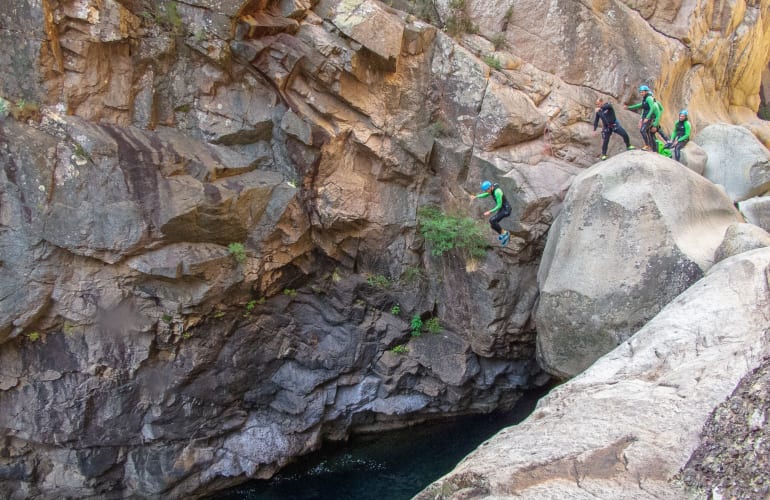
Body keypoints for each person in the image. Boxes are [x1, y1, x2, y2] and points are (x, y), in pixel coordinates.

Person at [473, 180, 512, 245]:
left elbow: (499, 205)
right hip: (502, 209)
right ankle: (504, 234)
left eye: (486, 190)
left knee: (492, 220)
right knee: (493, 225)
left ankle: (505, 234)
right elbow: (486, 195)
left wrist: (490, 211)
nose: (486, 192)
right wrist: (476, 196)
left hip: (506, 209)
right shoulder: (492, 189)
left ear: (489, 188)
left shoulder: (497, 192)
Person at [626, 85, 657, 151]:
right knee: (647, 132)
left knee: (643, 130)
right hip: (645, 117)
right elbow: (639, 105)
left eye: (642, 92)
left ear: (646, 91)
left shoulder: (649, 98)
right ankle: (652, 147)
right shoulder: (645, 99)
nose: (641, 93)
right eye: (640, 92)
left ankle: (647, 145)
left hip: (649, 117)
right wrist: (629, 107)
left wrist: (647, 118)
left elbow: (652, 108)